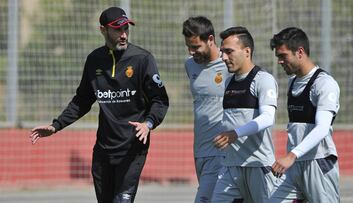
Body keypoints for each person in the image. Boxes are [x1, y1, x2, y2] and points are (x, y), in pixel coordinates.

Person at [29, 7, 169, 203]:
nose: (123, 35)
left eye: (126, 29)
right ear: (103, 30)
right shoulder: (94, 60)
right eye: (117, 30)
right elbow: (82, 100)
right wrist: (55, 125)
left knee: (122, 200)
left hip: (132, 148)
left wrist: (148, 123)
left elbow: (160, 100)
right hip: (103, 149)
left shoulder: (142, 59)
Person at [268, 27, 340, 203]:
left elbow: (322, 127)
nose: (279, 61)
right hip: (294, 168)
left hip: (317, 163)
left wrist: (292, 155)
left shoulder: (324, 83)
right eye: (278, 56)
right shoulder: (293, 81)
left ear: (300, 52)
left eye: (283, 56)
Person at [211, 26, 279, 203]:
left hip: (258, 166)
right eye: (222, 52)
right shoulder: (228, 82)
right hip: (231, 167)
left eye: (229, 52)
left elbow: (267, 118)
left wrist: (235, 134)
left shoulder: (263, 79)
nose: (224, 57)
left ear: (247, 51)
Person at [182, 16, 232, 203]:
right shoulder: (190, 65)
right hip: (200, 150)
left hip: (221, 150)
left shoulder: (229, 64)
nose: (191, 51)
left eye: (196, 47)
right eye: (189, 46)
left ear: (210, 39)